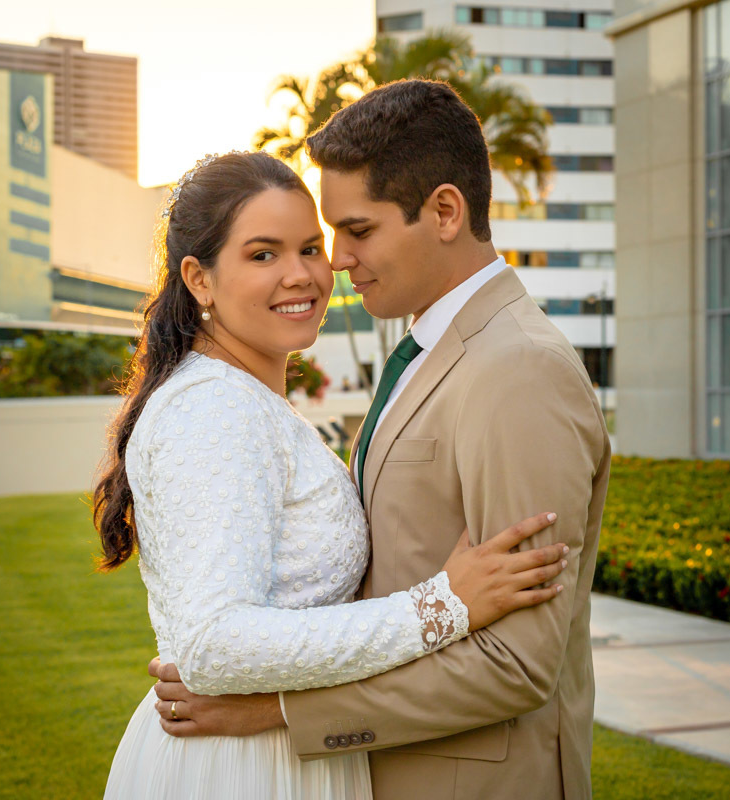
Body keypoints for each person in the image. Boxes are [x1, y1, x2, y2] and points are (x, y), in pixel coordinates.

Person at [150, 80, 611, 800]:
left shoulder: (518, 369)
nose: (333, 260)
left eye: (355, 231)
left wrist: (277, 712)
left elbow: (517, 664)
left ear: (446, 211)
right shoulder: (431, 348)